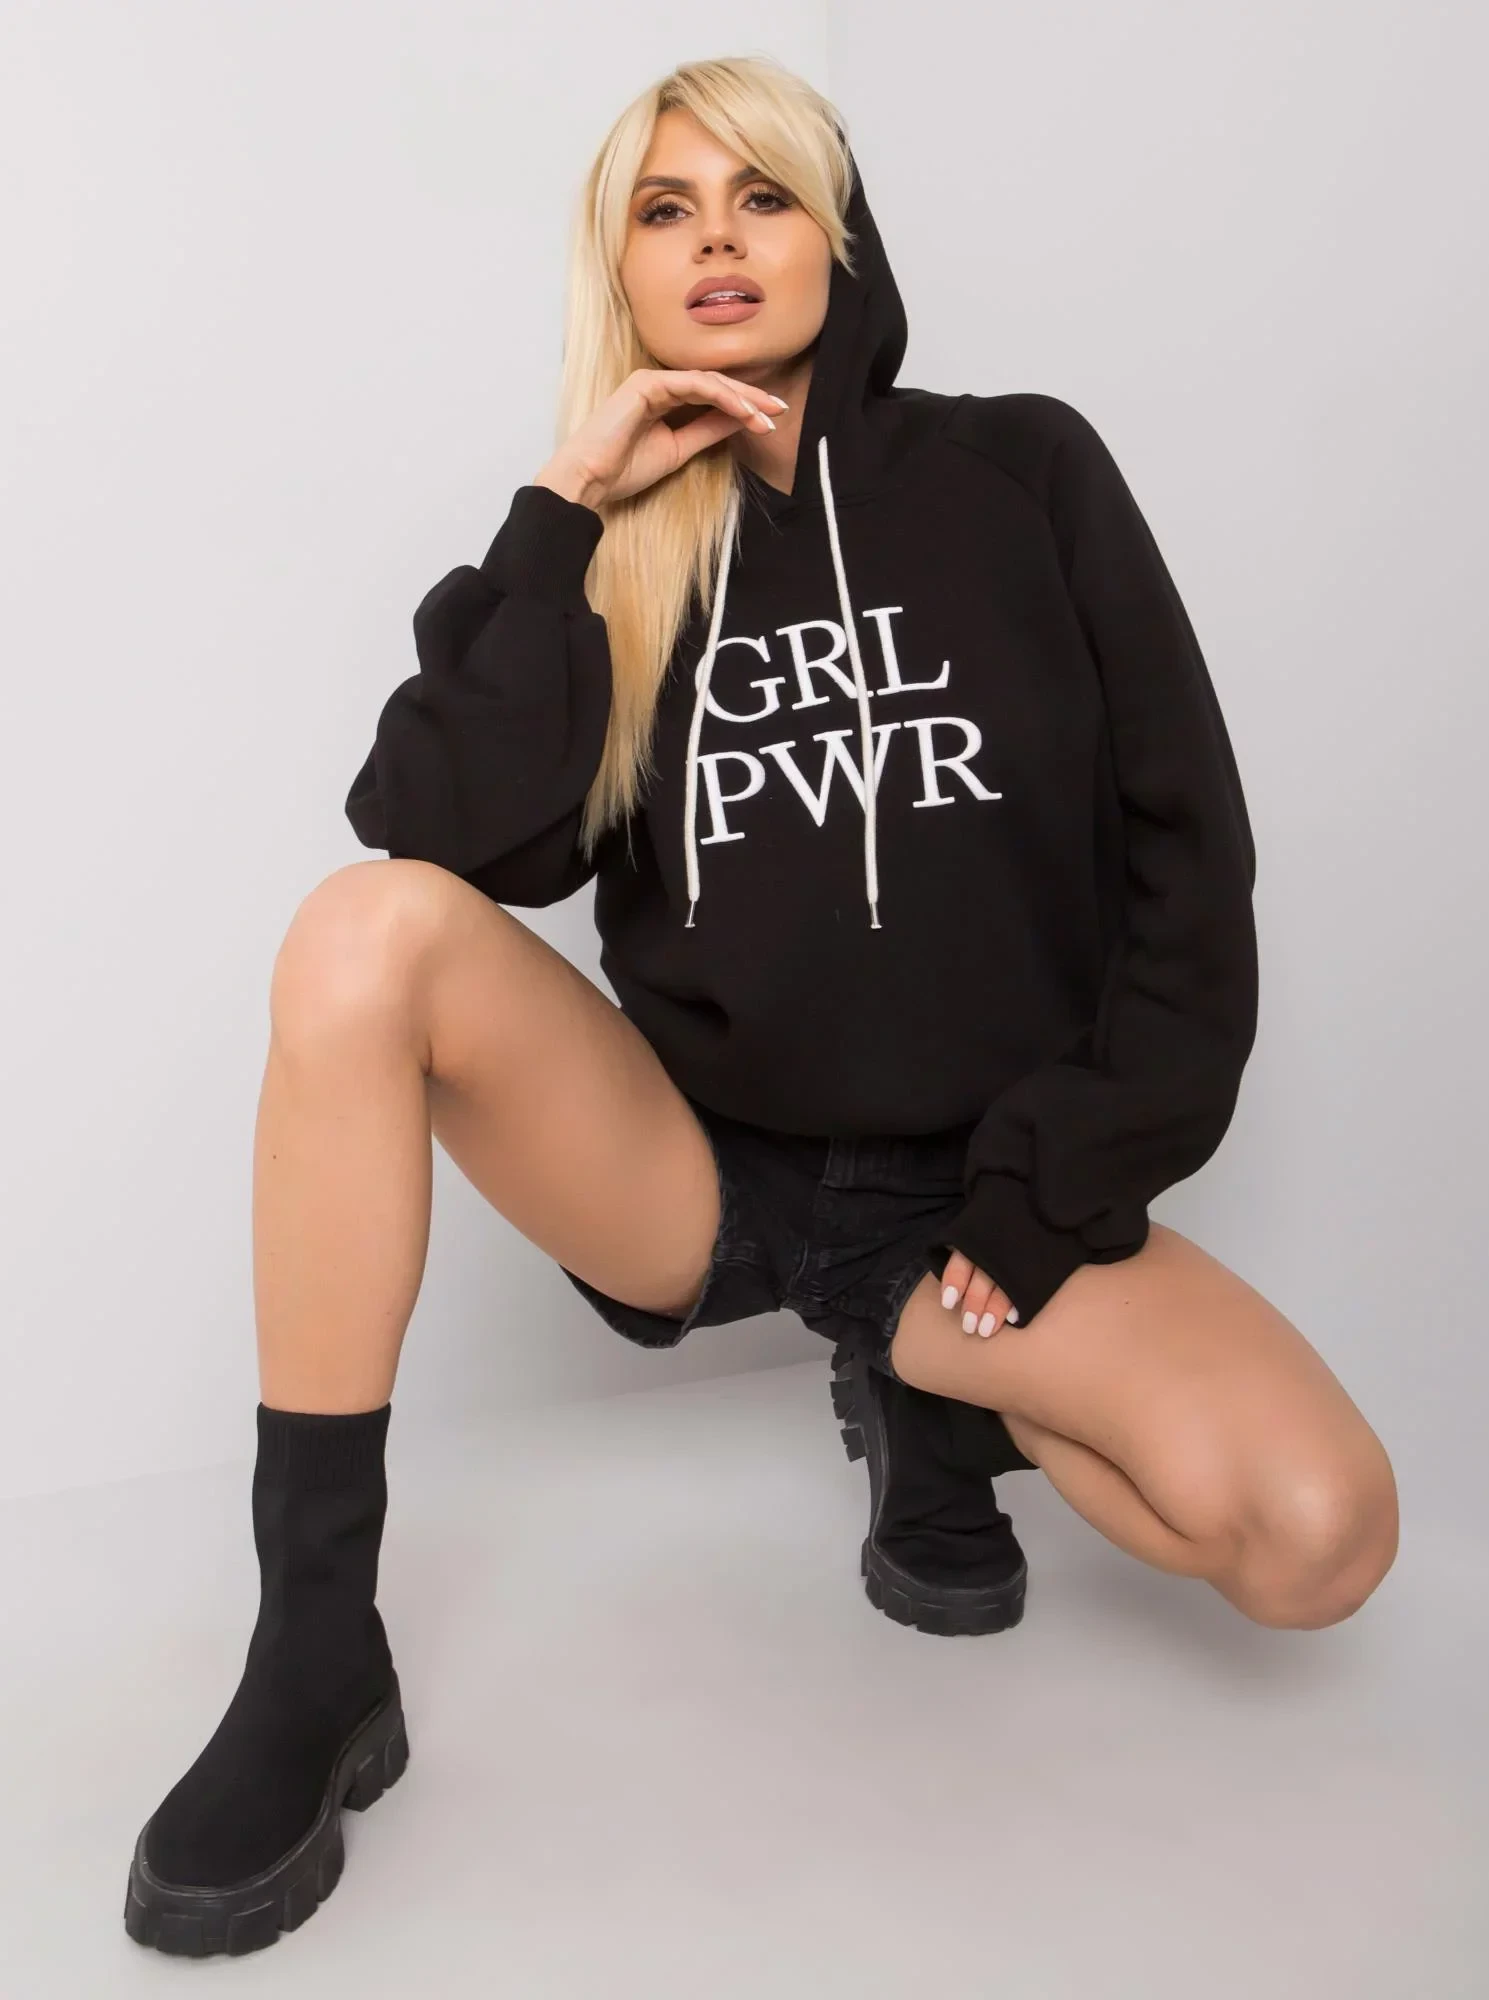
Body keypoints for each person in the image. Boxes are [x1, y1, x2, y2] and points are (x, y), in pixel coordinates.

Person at [124, 52, 1399, 1959]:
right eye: (667, 209)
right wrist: (567, 507)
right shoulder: (625, 551)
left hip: (972, 1206)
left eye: (763, 197)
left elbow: (1187, 869)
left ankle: (929, 1390)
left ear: (838, 236)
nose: (717, 241)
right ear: (623, 268)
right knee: (362, 931)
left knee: (1318, 1535)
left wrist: (1047, 1200)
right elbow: (434, 830)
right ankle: (313, 1650)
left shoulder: (1023, 471)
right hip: (699, 1174)